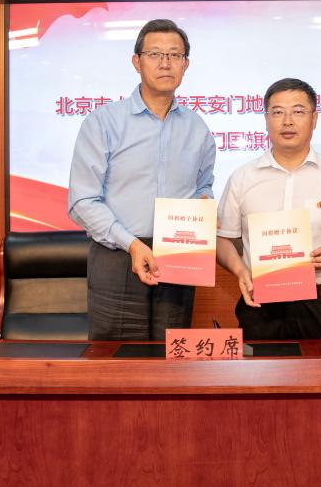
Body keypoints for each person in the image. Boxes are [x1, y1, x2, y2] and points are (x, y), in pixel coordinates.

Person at [68, 19, 216, 340]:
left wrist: (202, 207)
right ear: (137, 62)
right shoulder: (103, 122)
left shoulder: (197, 128)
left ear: (186, 64)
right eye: (155, 54)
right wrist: (132, 244)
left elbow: (204, 186)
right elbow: (82, 201)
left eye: (174, 55)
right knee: (118, 361)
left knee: (172, 355)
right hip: (118, 255)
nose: (165, 63)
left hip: (178, 258)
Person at [216, 78, 321, 339]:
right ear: (266, 119)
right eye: (277, 112)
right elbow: (223, 239)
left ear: (314, 118)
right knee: (260, 366)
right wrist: (240, 270)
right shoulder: (242, 178)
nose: (287, 121)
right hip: (261, 303)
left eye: (298, 111)